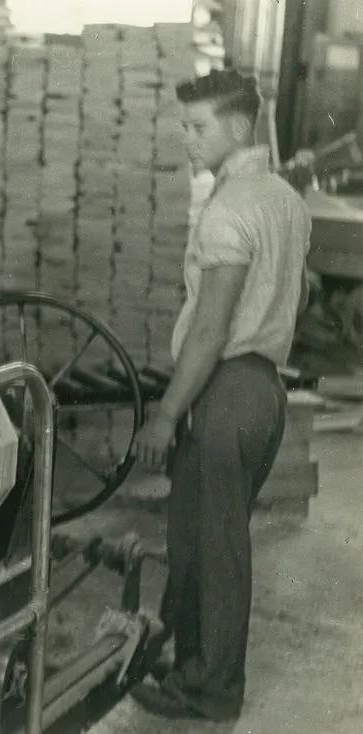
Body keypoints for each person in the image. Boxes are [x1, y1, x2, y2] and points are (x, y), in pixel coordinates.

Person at [130, 69, 312, 722]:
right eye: (184, 124)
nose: (186, 138)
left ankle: (210, 689)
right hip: (263, 390)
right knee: (204, 537)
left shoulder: (230, 208)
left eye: (197, 126)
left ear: (238, 127)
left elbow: (211, 326)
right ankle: (191, 665)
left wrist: (167, 412)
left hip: (228, 390)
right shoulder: (284, 198)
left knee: (213, 546)